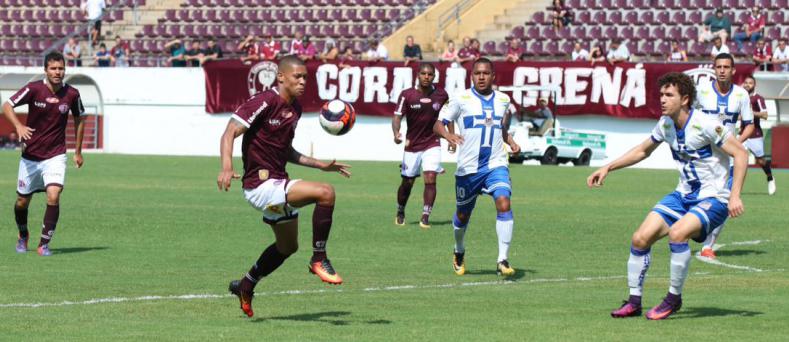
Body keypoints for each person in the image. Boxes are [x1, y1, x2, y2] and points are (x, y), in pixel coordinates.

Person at [588, 72, 747, 320]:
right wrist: (608, 167)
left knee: (678, 234)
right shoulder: (665, 124)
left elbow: (741, 154)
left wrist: (735, 195)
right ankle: (634, 301)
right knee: (640, 238)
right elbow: (642, 151)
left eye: (668, 95)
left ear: (684, 99)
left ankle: (673, 299)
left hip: (714, 199)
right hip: (682, 196)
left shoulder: (705, 124)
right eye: (661, 94)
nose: (662, 99)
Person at [219, 56, 350, 318]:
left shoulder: (295, 109)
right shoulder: (264, 101)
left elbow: (285, 150)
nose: (303, 82)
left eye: (305, 77)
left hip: (277, 183)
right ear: (281, 77)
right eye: (297, 77)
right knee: (326, 193)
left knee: (287, 247)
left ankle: (246, 284)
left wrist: (319, 165)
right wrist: (226, 166)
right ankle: (318, 259)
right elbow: (229, 131)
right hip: (260, 185)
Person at [433, 58, 521, 277]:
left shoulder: (503, 100)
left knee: (503, 201)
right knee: (462, 216)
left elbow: (499, 127)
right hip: (468, 169)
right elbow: (438, 124)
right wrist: (448, 135)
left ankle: (502, 259)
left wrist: (509, 141)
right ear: (471, 76)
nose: (481, 77)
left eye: (485, 73)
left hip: (495, 165)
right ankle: (459, 250)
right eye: (477, 73)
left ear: (493, 76)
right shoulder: (460, 99)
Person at [3, 51, 86, 257]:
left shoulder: (72, 94)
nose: (58, 72)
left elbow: (80, 119)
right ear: (45, 70)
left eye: (61, 68)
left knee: (54, 195)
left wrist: (78, 151)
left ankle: (44, 244)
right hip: (30, 156)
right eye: (53, 68)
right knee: (22, 202)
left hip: (56, 155)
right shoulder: (34, 89)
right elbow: (7, 105)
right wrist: (18, 126)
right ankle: (23, 235)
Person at [694, 53, 754, 259]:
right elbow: (689, 116)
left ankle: (708, 245)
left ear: (733, 70)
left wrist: (737, 144)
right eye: (718, 67)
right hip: (702, 156)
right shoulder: (701, 91)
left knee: (727, 200)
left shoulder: (741, 95)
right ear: (714, 69)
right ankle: (690, 231)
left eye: (726, 67)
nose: (722, 70)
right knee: (698, 197)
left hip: (727, 158)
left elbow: (750, 125)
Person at [392, 63, 450, 228]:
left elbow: (449, 115)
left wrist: (450, 136)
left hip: (433, 142)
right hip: (412, 144)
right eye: (423, 73)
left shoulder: (441, 94)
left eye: (430, 74)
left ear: (434, 76)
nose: (426, 77)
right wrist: (396, 133)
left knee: (431, 177)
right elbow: (397, 117)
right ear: (418, 75)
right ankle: (400, 210)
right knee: (407, 182)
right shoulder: (407, 95)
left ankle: (425, 216)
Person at [740, 76, 775, 195]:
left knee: (760, 161)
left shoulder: (758, 98)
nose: (747, 85)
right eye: (746, 82)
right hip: (742, 134)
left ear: (754, 85)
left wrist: (750, 113)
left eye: (750, 83)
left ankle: (770, 178)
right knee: (736, 158)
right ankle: (732, 188)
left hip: (755, 134)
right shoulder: (740, 97)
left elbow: (765, 115)